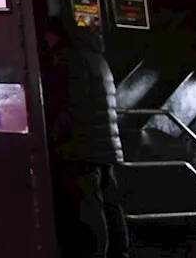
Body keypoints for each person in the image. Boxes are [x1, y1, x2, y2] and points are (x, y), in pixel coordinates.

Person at [43, 16, 132, 258]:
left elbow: (70, 105)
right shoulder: (97, 57)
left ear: (57, 34)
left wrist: (52, 136)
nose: (45, 40)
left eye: (47, 35)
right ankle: (120, 253)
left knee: (89, 210)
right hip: (104, 147)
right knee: (111, 207)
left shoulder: (69, 59)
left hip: (80, 148)